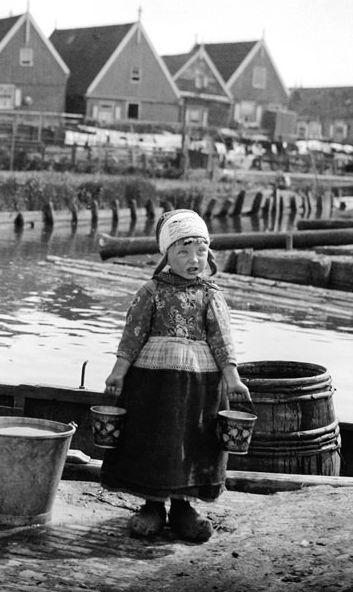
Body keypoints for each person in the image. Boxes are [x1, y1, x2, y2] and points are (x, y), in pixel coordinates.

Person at [100, 209, 252, 543]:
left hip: (200, 383)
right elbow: (132, 335)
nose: (193, 259)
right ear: (166, 255)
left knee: (192, 440)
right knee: (154, 438)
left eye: (200, 250)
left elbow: (222, 340)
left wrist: (233, 378)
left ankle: (184, 508)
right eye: (183, 251)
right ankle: (152, 506)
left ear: (209, 254)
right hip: (152, 383)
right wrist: (118, 373)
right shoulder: (151, 291)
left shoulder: (211, 295)